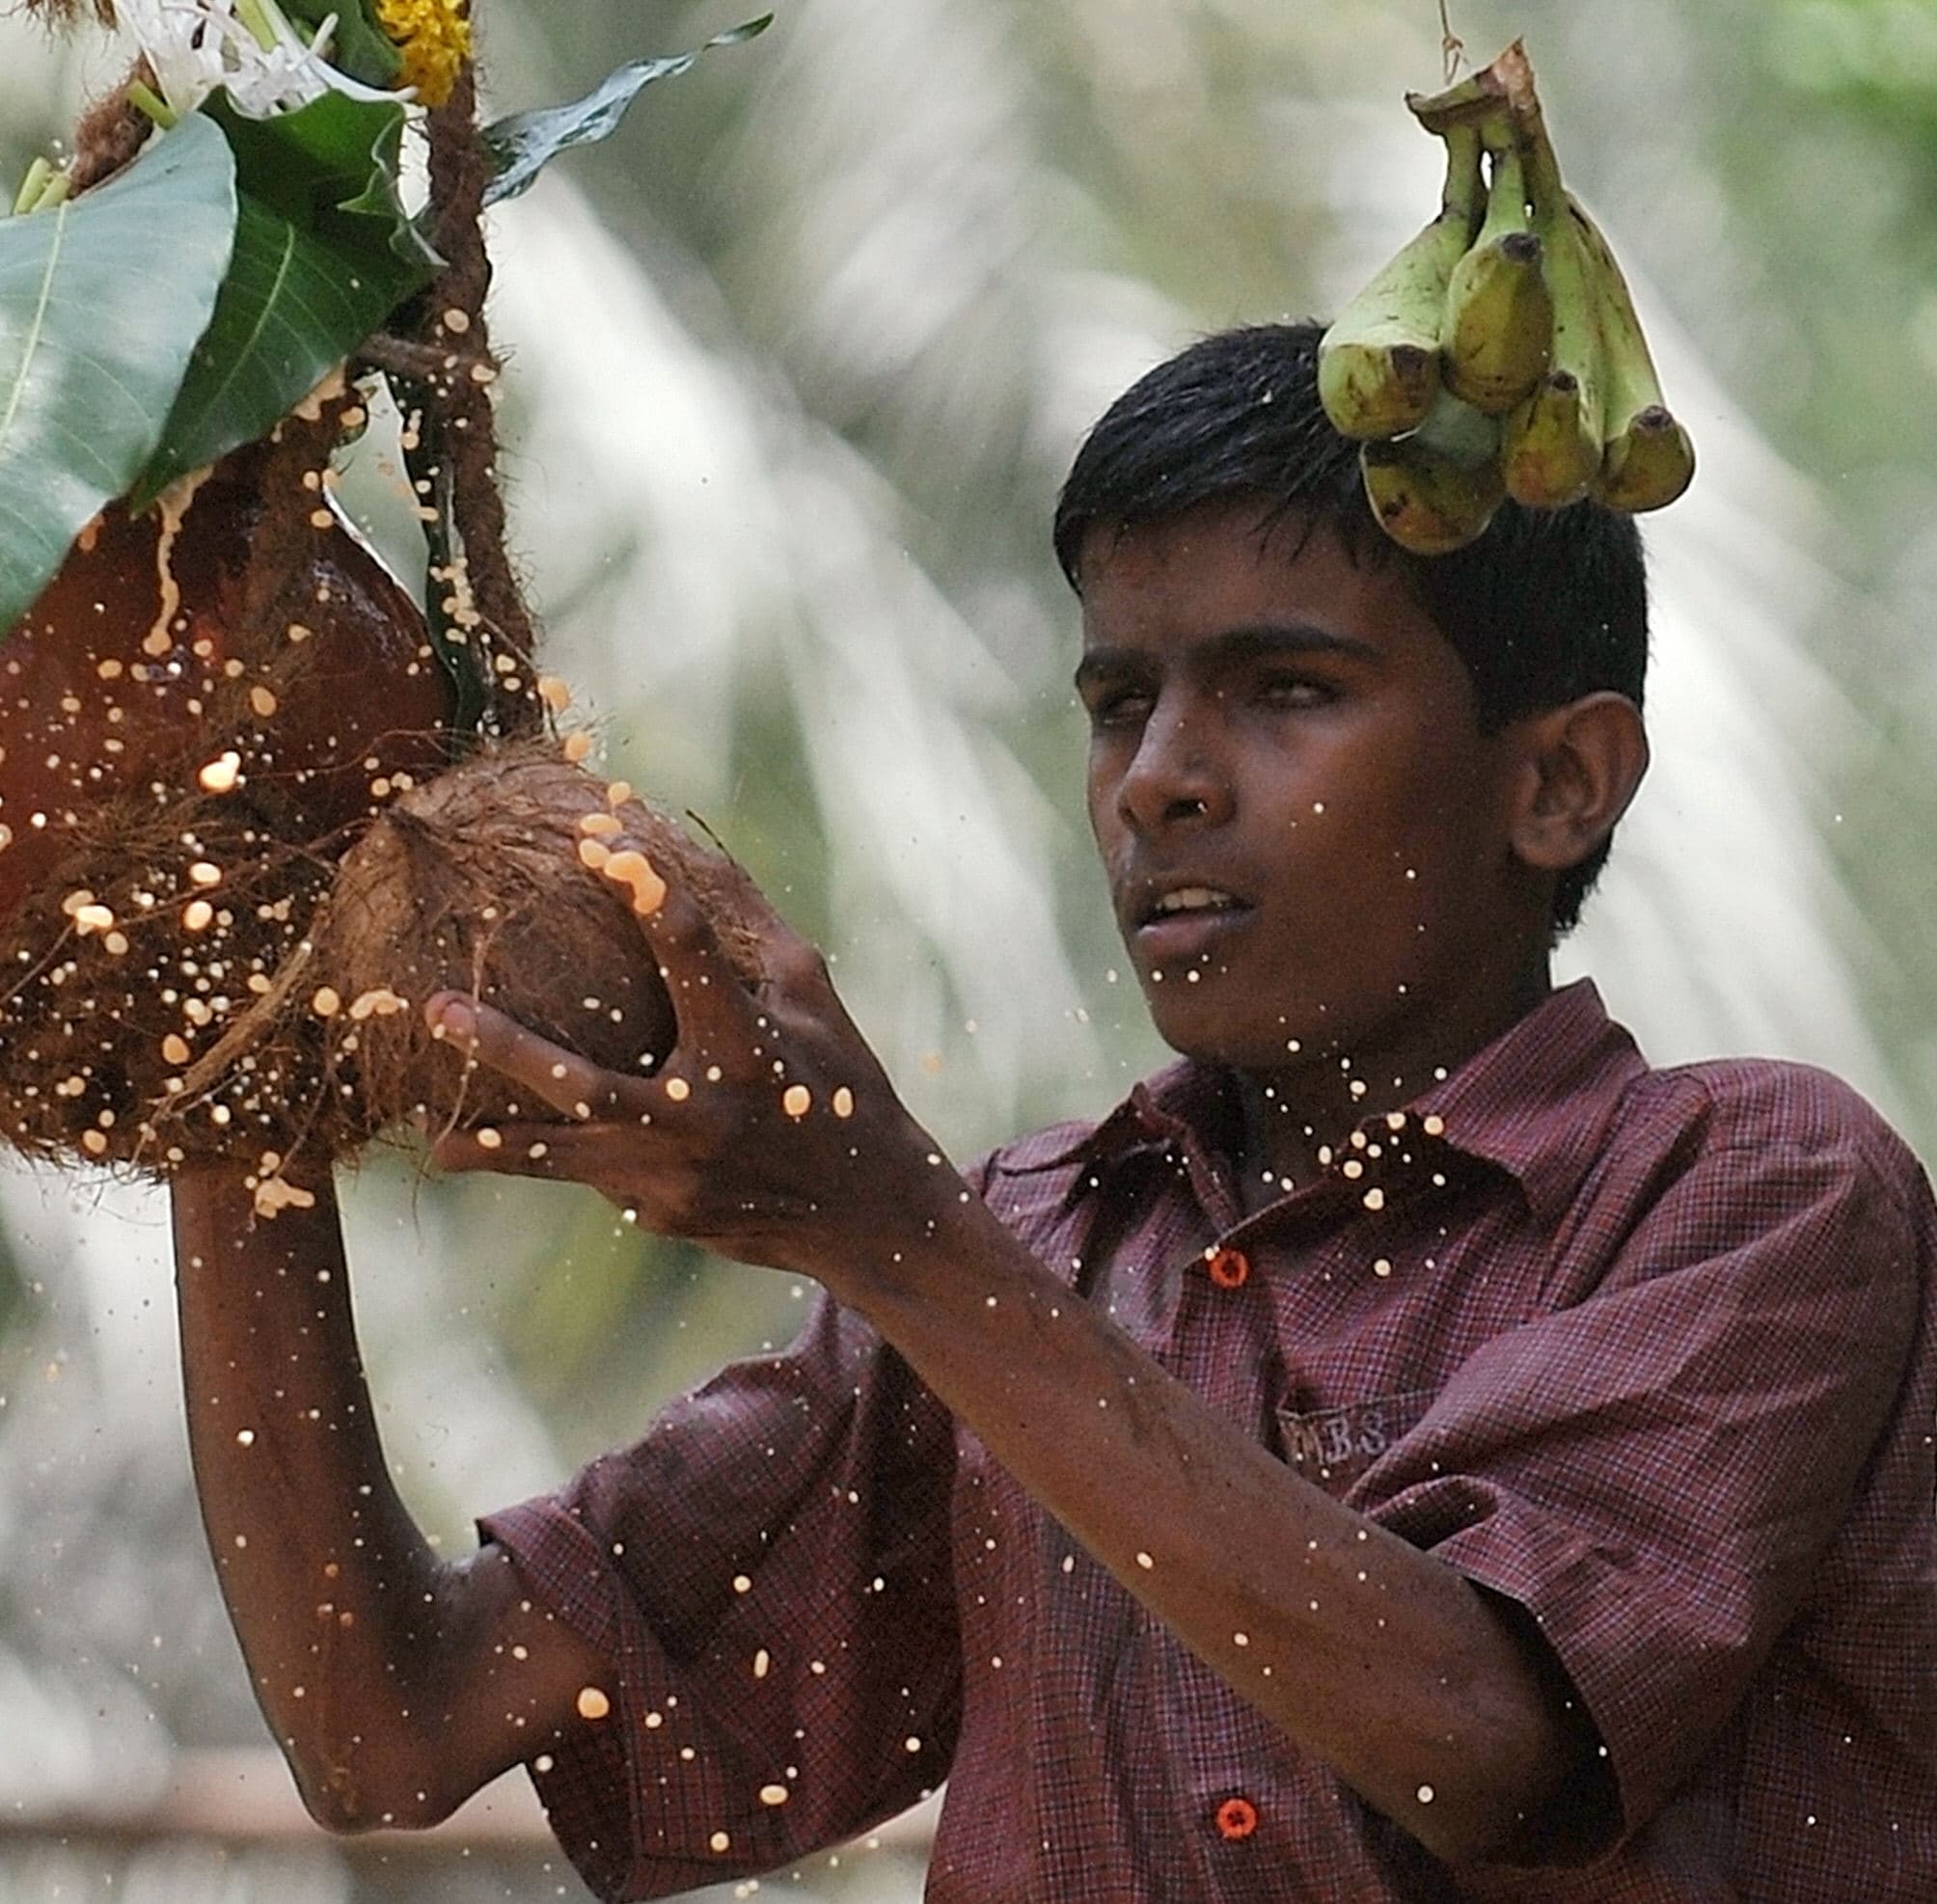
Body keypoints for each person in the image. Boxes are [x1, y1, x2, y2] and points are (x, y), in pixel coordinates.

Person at [167, 322, 1937, 1899]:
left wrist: (881, 1231)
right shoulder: (1028, 1244)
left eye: (1285, 689)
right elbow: (387, 1722)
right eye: (1117, 701)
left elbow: (1481, 1739)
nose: (1159, 777)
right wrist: (202, 1074)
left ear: (1554, 782)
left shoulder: (1762, 1188)